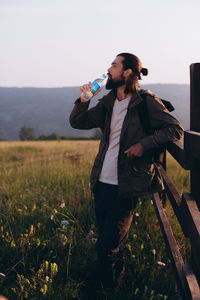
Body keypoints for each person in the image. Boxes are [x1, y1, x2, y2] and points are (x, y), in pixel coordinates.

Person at [69, 53, 183, 296]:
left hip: (127, 184)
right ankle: (117, 287)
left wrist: (145, 144)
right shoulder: (109, 102)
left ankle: (98, 291)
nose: (108, 69)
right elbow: (78, 123)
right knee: (109, 243)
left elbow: (175, 129)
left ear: (128, 72)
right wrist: (83, 100)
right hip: (101, 182)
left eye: (114, 65)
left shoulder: (145, 102)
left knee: (107, 247)